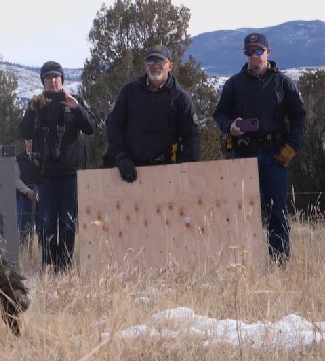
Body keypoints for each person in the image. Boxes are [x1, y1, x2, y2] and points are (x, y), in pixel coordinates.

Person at [213, 33, 305, 266]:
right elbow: (220, 113)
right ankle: (244, 265)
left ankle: (279, 265)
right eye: (249, 52)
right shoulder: (234, 84)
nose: (254, 56)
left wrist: (292, 147)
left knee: (277, 212)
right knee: (242, 211)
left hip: (275, 156)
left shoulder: (283, 83)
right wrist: (229, 126)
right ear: (245, 55)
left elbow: (298, 117)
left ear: (268, 53)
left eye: (258, 51)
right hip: (242, 154)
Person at [20, 60, 97, 272]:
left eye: (56, 77)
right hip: (45, 174)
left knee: (68, 221)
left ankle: (64, 266)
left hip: (70, 173)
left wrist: (77, 108)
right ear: (43, 81)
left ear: (62, 80)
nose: (52, 82)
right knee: (45, 221)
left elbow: (92, 127)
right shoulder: (37, 104)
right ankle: (47, 264)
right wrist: (30, 110)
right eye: (48, 78)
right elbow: (24, 132)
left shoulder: (75, 101)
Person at [105, 44, 200, 183]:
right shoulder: (129, 92)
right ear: (145, 66)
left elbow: (191, 138)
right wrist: (121, 158)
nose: (155, 66)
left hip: (167, 174)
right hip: (130, 172)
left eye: (160, 61)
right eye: (150, 61)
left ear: (170, 65)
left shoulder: (181, 98)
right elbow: (114, 126)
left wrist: (186, 172)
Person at [15, 139, 41, 247]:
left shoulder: (41, 157)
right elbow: (15, 178)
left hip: (40, 198)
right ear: (25, 141)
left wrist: (38, 193)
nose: (31, 144)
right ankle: (24, 256)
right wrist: (27, 191)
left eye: (32, 141)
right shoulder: (18, 158)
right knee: (23, 231)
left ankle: (42, 255)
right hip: (24, 198)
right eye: (29, 141)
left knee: (42, 229)